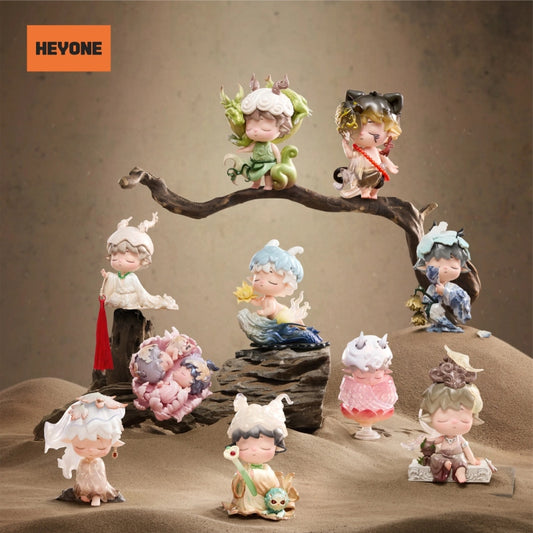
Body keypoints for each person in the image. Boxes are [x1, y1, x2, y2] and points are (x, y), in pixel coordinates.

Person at [222, 74, 311, 190]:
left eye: (265, 129)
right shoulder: (255, 143)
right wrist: (243, 150)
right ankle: (256, 184)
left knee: (267, 174)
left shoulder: (271, 145)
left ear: (282, 128)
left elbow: (276, 153)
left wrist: (279, 163)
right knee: (256, 173)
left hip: (269, 163)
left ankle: (268, 185)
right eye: (249, 128)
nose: (255, 131)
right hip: (256, 163)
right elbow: (250, 148)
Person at [222, 393, 298, 520]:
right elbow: (238, 486)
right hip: (246, 501)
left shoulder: (267, 471)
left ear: (276, 446)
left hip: (263, 500)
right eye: (244, 447)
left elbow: (272, 484)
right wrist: (240, 477)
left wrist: (255, 476)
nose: (254, 449)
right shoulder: (243, 468)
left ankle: (264, 508)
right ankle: (244, 507)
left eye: (265, 447)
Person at [44, 393, 126, 506]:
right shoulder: (82, 461)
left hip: (99, 482)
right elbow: (81, 478)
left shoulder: (98, 462)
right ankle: (83, 493)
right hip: (83, 478)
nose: (91, 450)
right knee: (82, 477)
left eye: (101, 448)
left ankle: (97, 495)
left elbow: (101, 478)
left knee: (99, 477)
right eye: (80, 447)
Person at [419, 346, 484, 483]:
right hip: (442, 455)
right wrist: (428, 442)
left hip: (458, 455)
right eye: (443, 419)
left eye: (464, 420)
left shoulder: (460, 440)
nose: (454, 422)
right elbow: (433, 442)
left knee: (461, 462)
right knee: (436, 458)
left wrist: (472, 460)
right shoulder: (442, 438)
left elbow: (467, 450)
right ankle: (445, 466)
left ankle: (460, 473)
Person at [100, 212, 179, 310]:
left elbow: (141, 292)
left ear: (142, 259)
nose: (119, 261)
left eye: (128, 259)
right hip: (118, 298)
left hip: (130, 299)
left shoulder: (132, 278)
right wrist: (107, 276)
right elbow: (114, 279)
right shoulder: (118, 276)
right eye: (114, 258)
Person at [333, 89, 403, 199]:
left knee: (378, 183)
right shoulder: (358, 151)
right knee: (363, 182)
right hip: (364, 174)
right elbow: (350, 155)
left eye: (370, 123)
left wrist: (390, 165)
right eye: (357, 126)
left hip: (377, 173)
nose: (361, 132)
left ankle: (374, 193)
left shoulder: (376, 151)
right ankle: (365, 192)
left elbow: (383, 157)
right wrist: (345, 144)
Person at [412, 221, 472, 332]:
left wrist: (445, 292)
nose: (445, 268)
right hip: (437, 320)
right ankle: (443, 324)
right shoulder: (431, 288)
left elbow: (463, 301)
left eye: (453, 267)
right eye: (438, 265)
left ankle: (450, 325)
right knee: (433, 309)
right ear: (425, 265)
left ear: (461, 268)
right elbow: (427, 304)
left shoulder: (453, 288)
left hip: (453, 313)